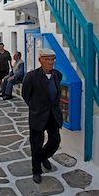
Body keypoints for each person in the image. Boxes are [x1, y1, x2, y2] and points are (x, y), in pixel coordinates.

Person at [22, 48, 63, 184]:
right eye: (47, 59)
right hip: (38, 115)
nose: (50, 62)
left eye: (52, 59)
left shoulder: (57, 75)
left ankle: (43, 157)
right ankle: (36, 171)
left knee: (55, 141)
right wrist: (35, 107)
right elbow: (25, 95)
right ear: (40, 60)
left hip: (53, 115)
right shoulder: (31, 76)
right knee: (36, 145)